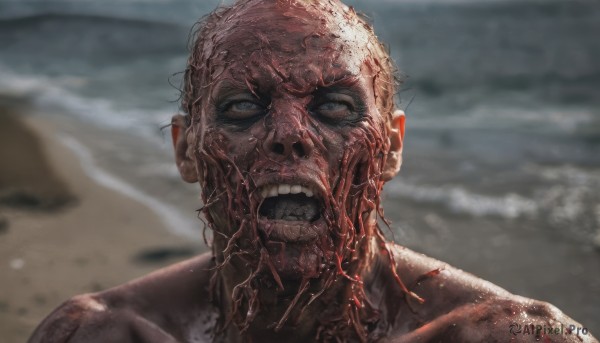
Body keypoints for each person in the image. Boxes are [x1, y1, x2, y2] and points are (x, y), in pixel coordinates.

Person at [29, 0, 596, 342]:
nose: (291, 134)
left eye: (335, 107)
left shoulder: (517, 335)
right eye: (243, 107)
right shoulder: (100, 336)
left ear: (392, 147)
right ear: (186, 150)